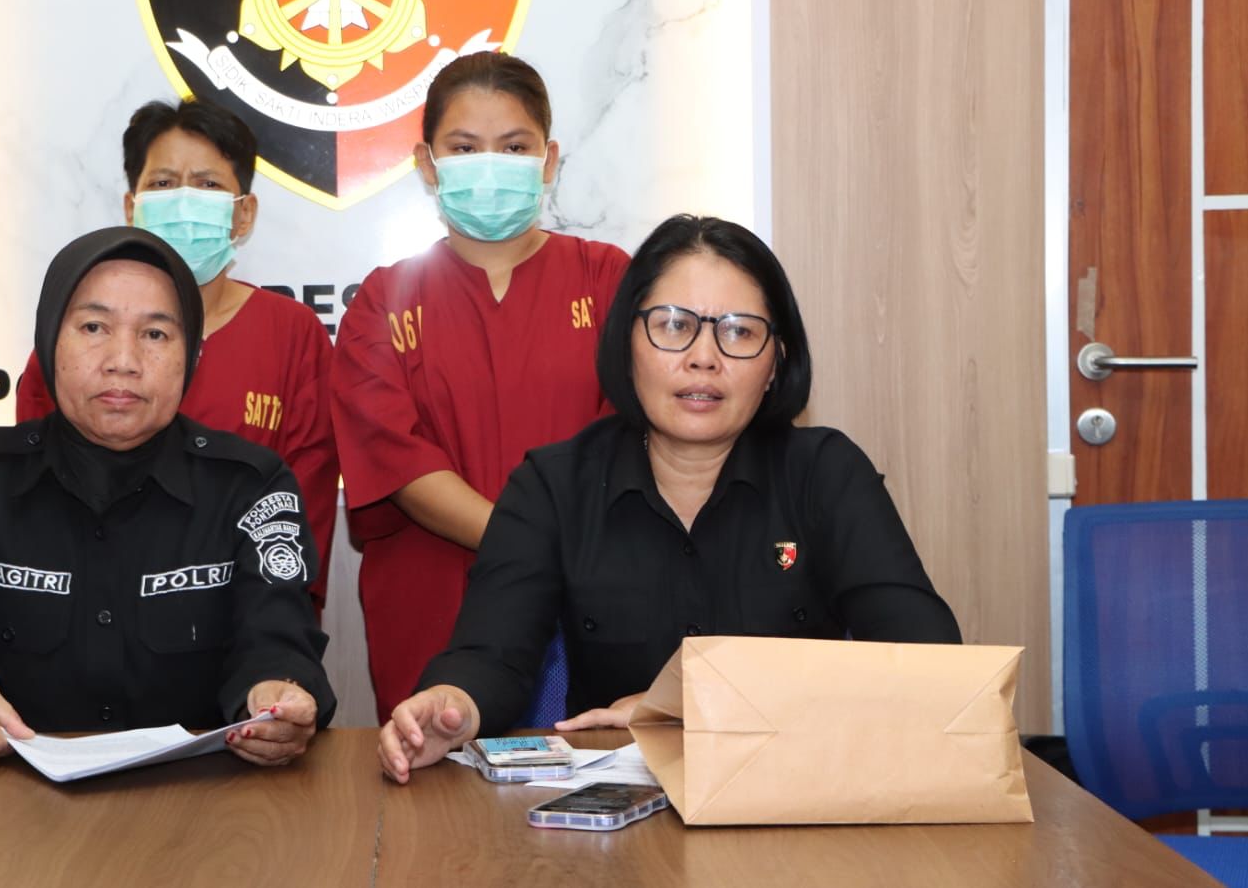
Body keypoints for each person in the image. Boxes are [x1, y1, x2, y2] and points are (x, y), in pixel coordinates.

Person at [377, 214, 961, 783]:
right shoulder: (554, 485)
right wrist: (453, 705)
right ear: (626, 342)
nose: (703, 357)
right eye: (674, 325)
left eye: (738, 331)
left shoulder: (826, 473)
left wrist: (699, 702)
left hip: (797, 794)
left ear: (776, 363)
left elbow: (930, 659)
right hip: (613, 816)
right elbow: (491, 654)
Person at [0, 227, 334, 767]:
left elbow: (278, 643)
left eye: (155, 334)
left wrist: (278, 693)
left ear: (192, 356)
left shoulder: (250, 487)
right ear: (49, 342)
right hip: (14, 800)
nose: (123, 360)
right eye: (94, 327)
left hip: (201, 800)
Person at [331, 53, 631, 723]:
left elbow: (633, 438)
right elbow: (395, 459)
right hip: (433, 605)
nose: (490, 165)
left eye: (514, 147)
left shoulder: (609, 280)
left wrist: (549, 556)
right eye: (465, 148)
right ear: (427, 164)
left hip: (586, 601)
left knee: (592, 771)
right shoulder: (381, 299)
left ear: (549, 161)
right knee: (435, 770)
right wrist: (531, 547)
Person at [15, 100, 339, 616]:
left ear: (244, 213)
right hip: (86, 614)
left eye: (208, 184)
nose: (185, 202)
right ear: (132, 207)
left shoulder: (293, 334)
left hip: (243, 622)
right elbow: (35, 498)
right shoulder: (74, 337)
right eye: (164, 184)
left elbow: (301, 512)